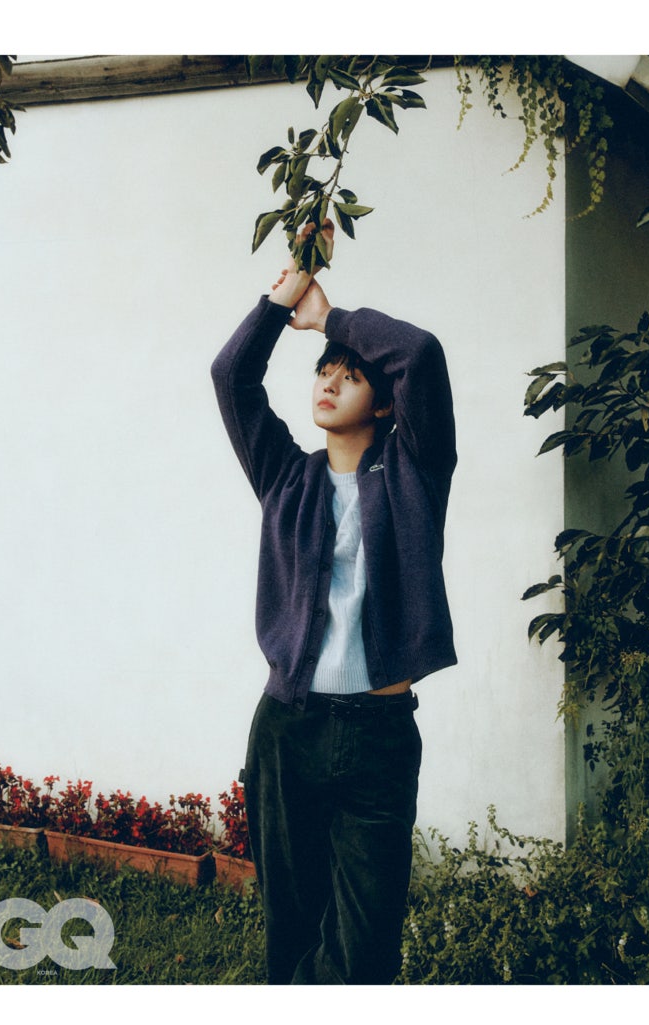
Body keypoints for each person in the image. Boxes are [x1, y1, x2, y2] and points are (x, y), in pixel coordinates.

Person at [211, 221, 457, 985]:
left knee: (367, 945)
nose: (328, 382)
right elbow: (231, 378)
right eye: (324, 371)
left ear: (383, 404)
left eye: (349, 375)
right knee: (291, 927)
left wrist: (330, 318)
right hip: (288, 729)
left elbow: (418, 355)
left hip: (378, 736)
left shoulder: (417, 473)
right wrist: (280, 297)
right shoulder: (285, 477)